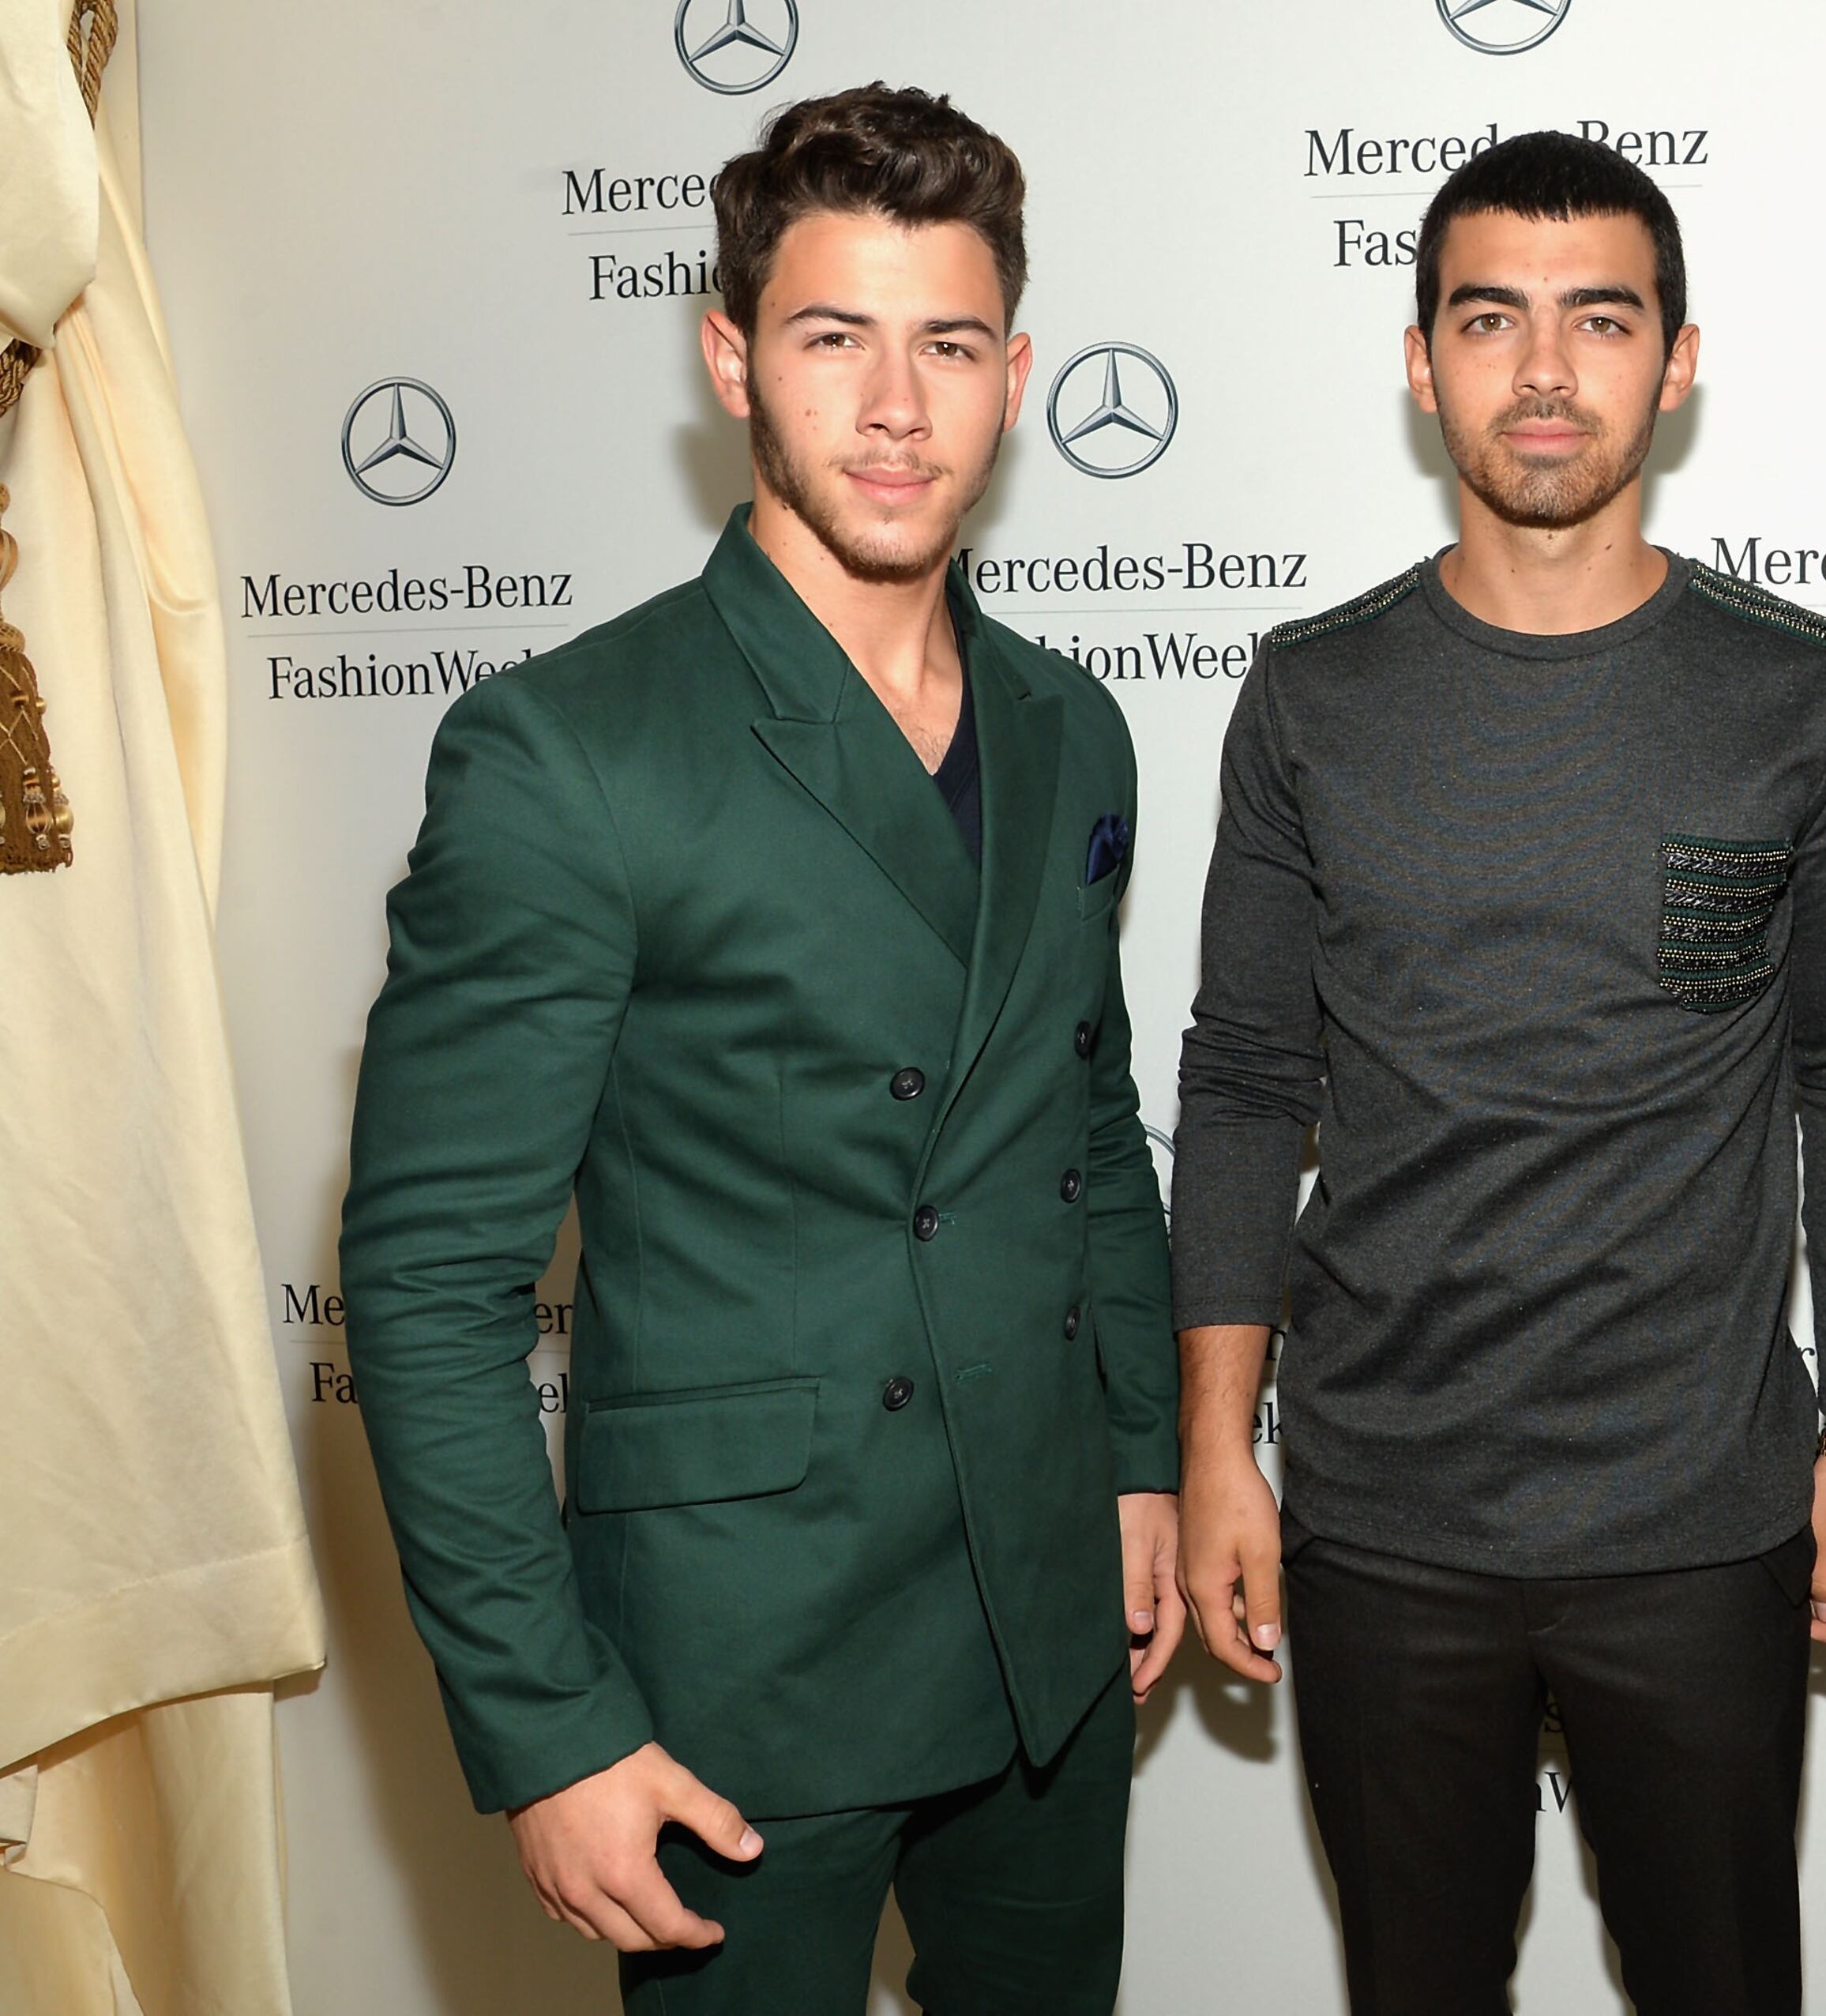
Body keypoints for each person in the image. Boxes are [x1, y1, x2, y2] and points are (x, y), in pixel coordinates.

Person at [337, 85, 1177, 2016]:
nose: (897, 408)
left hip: (1045, 1630)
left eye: (949, 345)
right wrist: (549, 1724)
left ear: (1018, 374)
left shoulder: (1074, 729)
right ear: (731, 356)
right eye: (833, 339)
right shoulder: (570, 751)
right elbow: (430, 1278)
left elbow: (1082, 1113)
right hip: (736, 1674)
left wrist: (1136, 1453)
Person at [1168, 130, 1826, 2014]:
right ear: (1421, 362)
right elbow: (1252, 1079)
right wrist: (1213, 1452)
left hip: (1705, 1516)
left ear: (1676, 361)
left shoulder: (1805, 692)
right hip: (1383, 1516)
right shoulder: (1309, 696)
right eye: (1490, 317)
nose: (1544, 371)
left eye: (1600, 319)